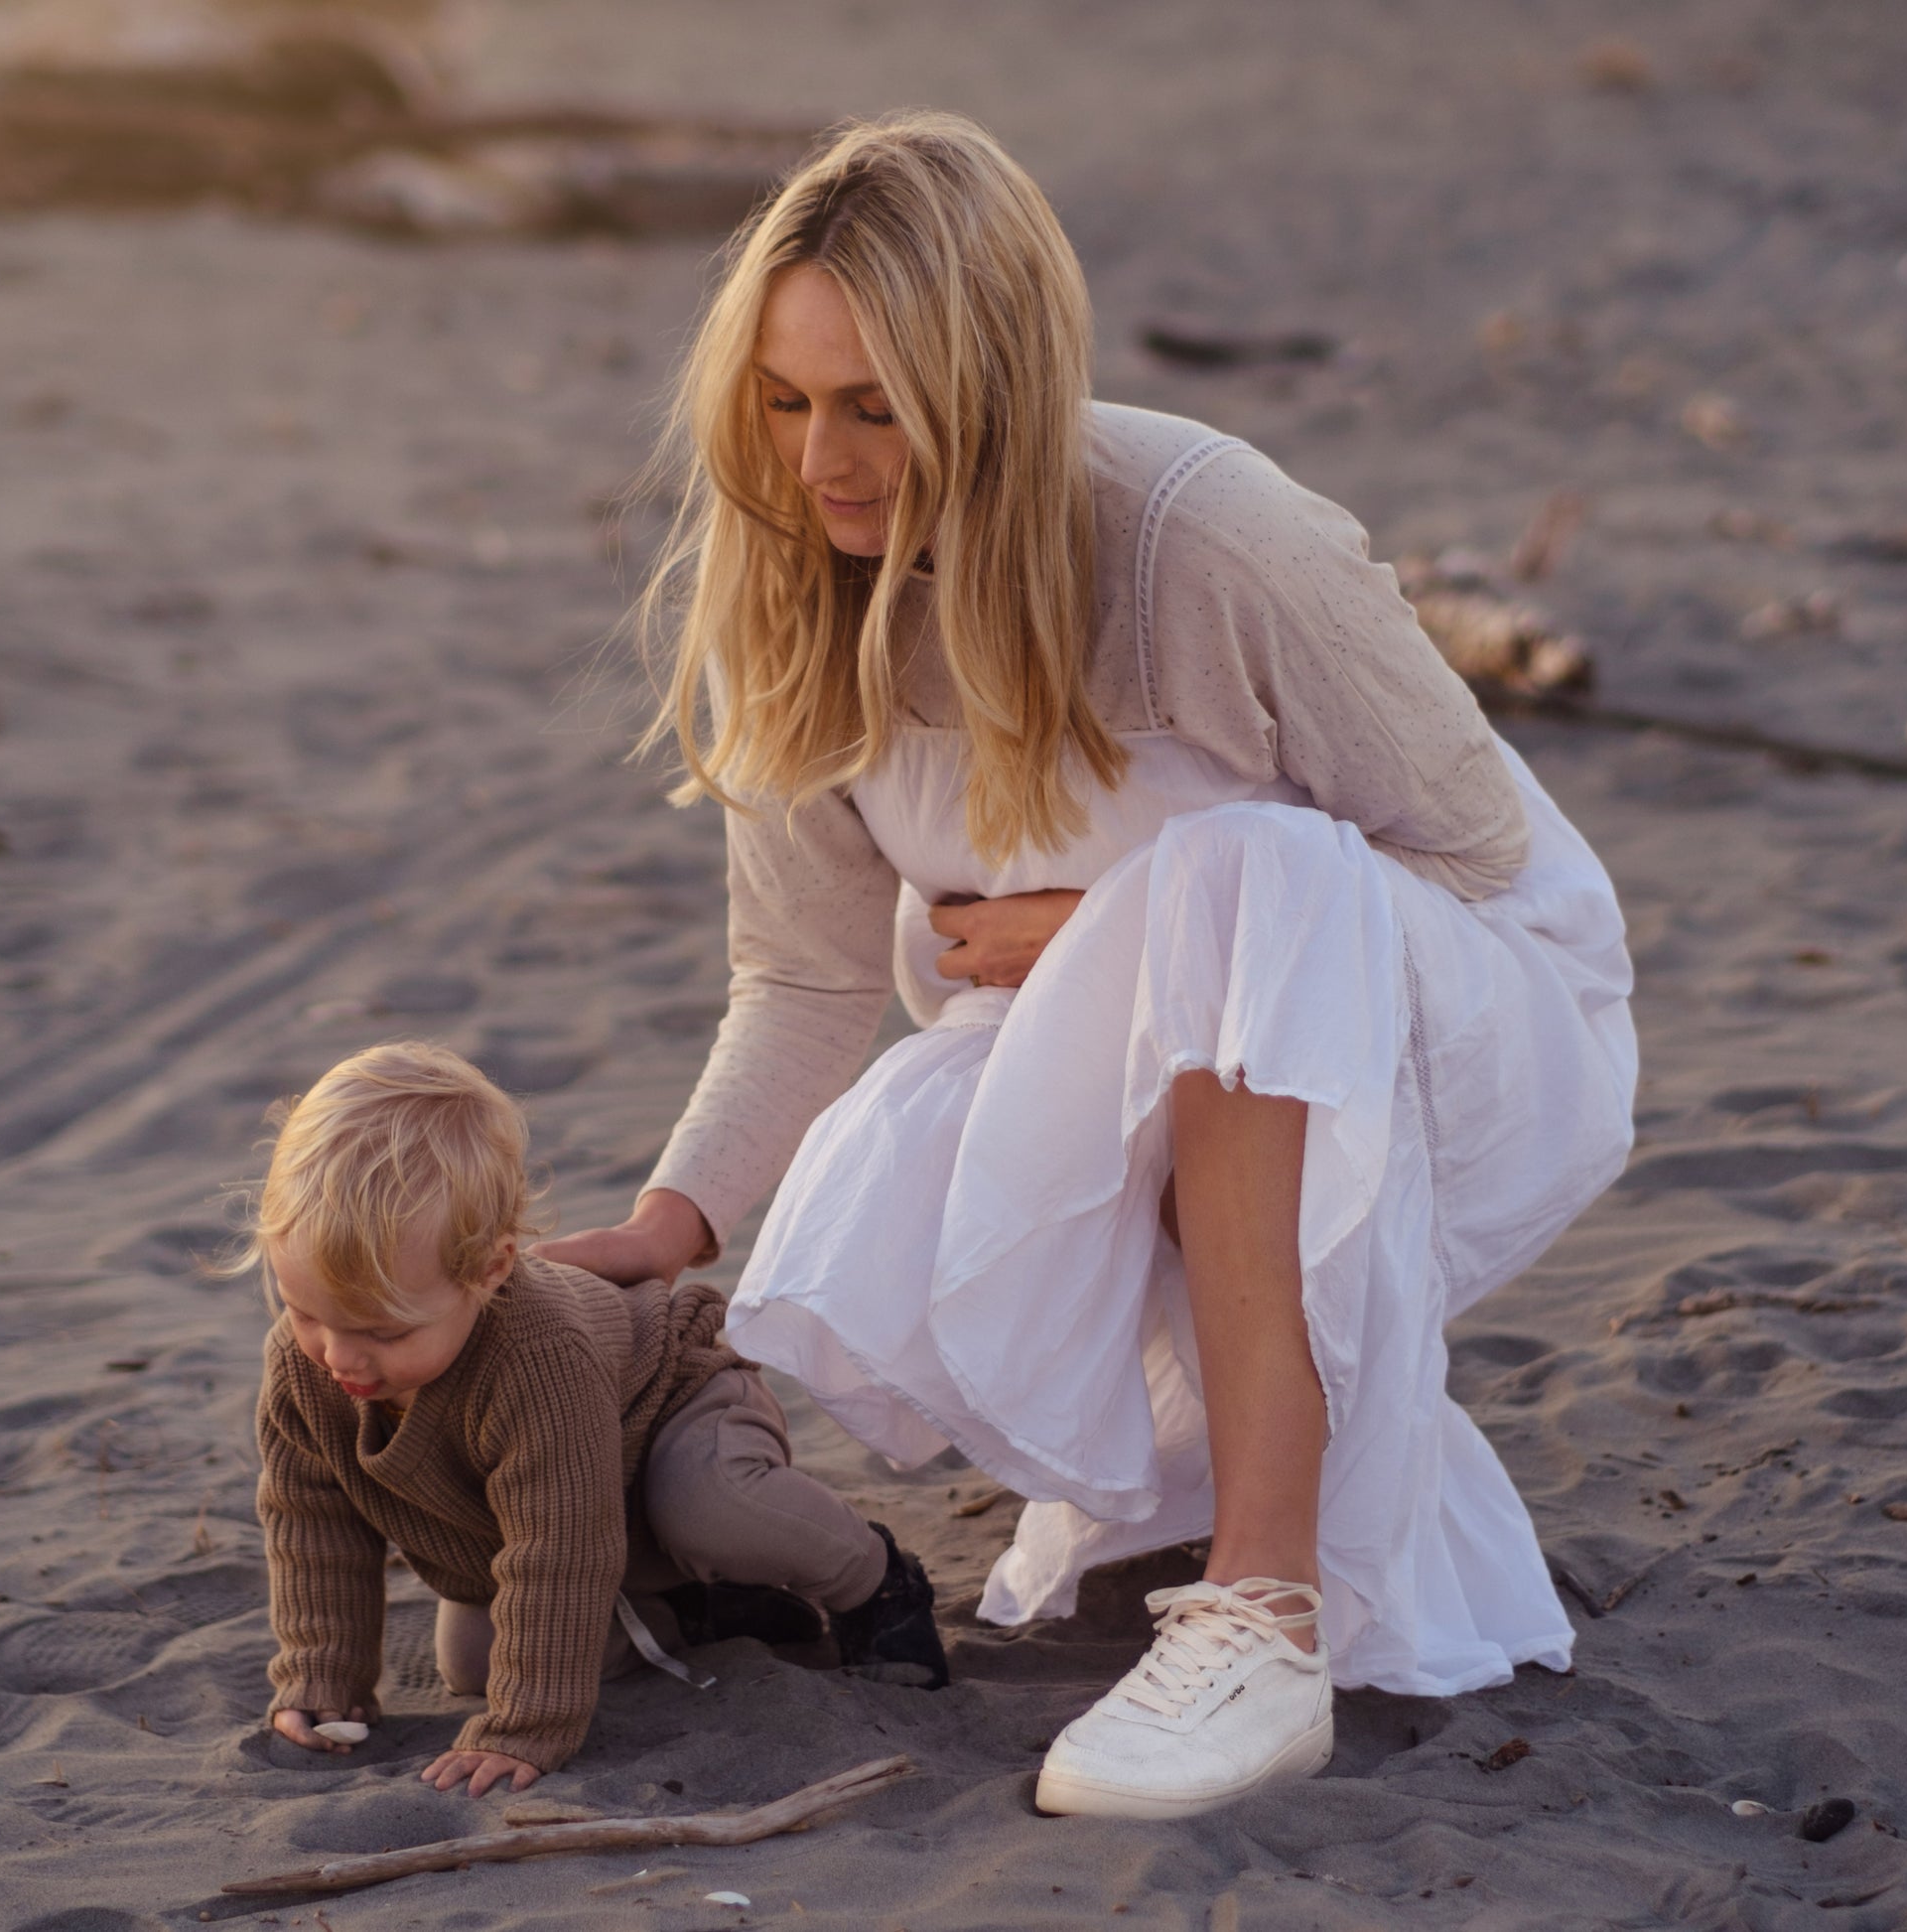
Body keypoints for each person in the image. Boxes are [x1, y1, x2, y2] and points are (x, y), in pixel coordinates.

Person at [542, 110, 1636, 1819]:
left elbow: (1475, 860)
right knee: (1079, 950)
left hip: (1477, 1024)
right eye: (782, 398)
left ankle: (1265, 1621)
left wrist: (1107, 929)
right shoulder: (793, 587)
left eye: (874, 404)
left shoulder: (1206, 538)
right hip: (1167, 1067)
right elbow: (811, 981)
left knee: (1235, 878)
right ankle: (1240, 1470)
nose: (819, 457)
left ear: (986, 387)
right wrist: (665, 1224)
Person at [242, 1040, 948, 1799]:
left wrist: (528, 1727)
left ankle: (872, 1580)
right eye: (306, 1311)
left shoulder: (537, 1354)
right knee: (477, 1663)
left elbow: (561, 1548)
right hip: (551, 1507)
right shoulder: (303, 1365)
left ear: (491, 1270)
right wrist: (323, 1674)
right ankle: (698, 1607)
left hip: (672, 1416)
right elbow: (312, 1519)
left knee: (712, 1508)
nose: (339, 1356)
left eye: (384, 1333)